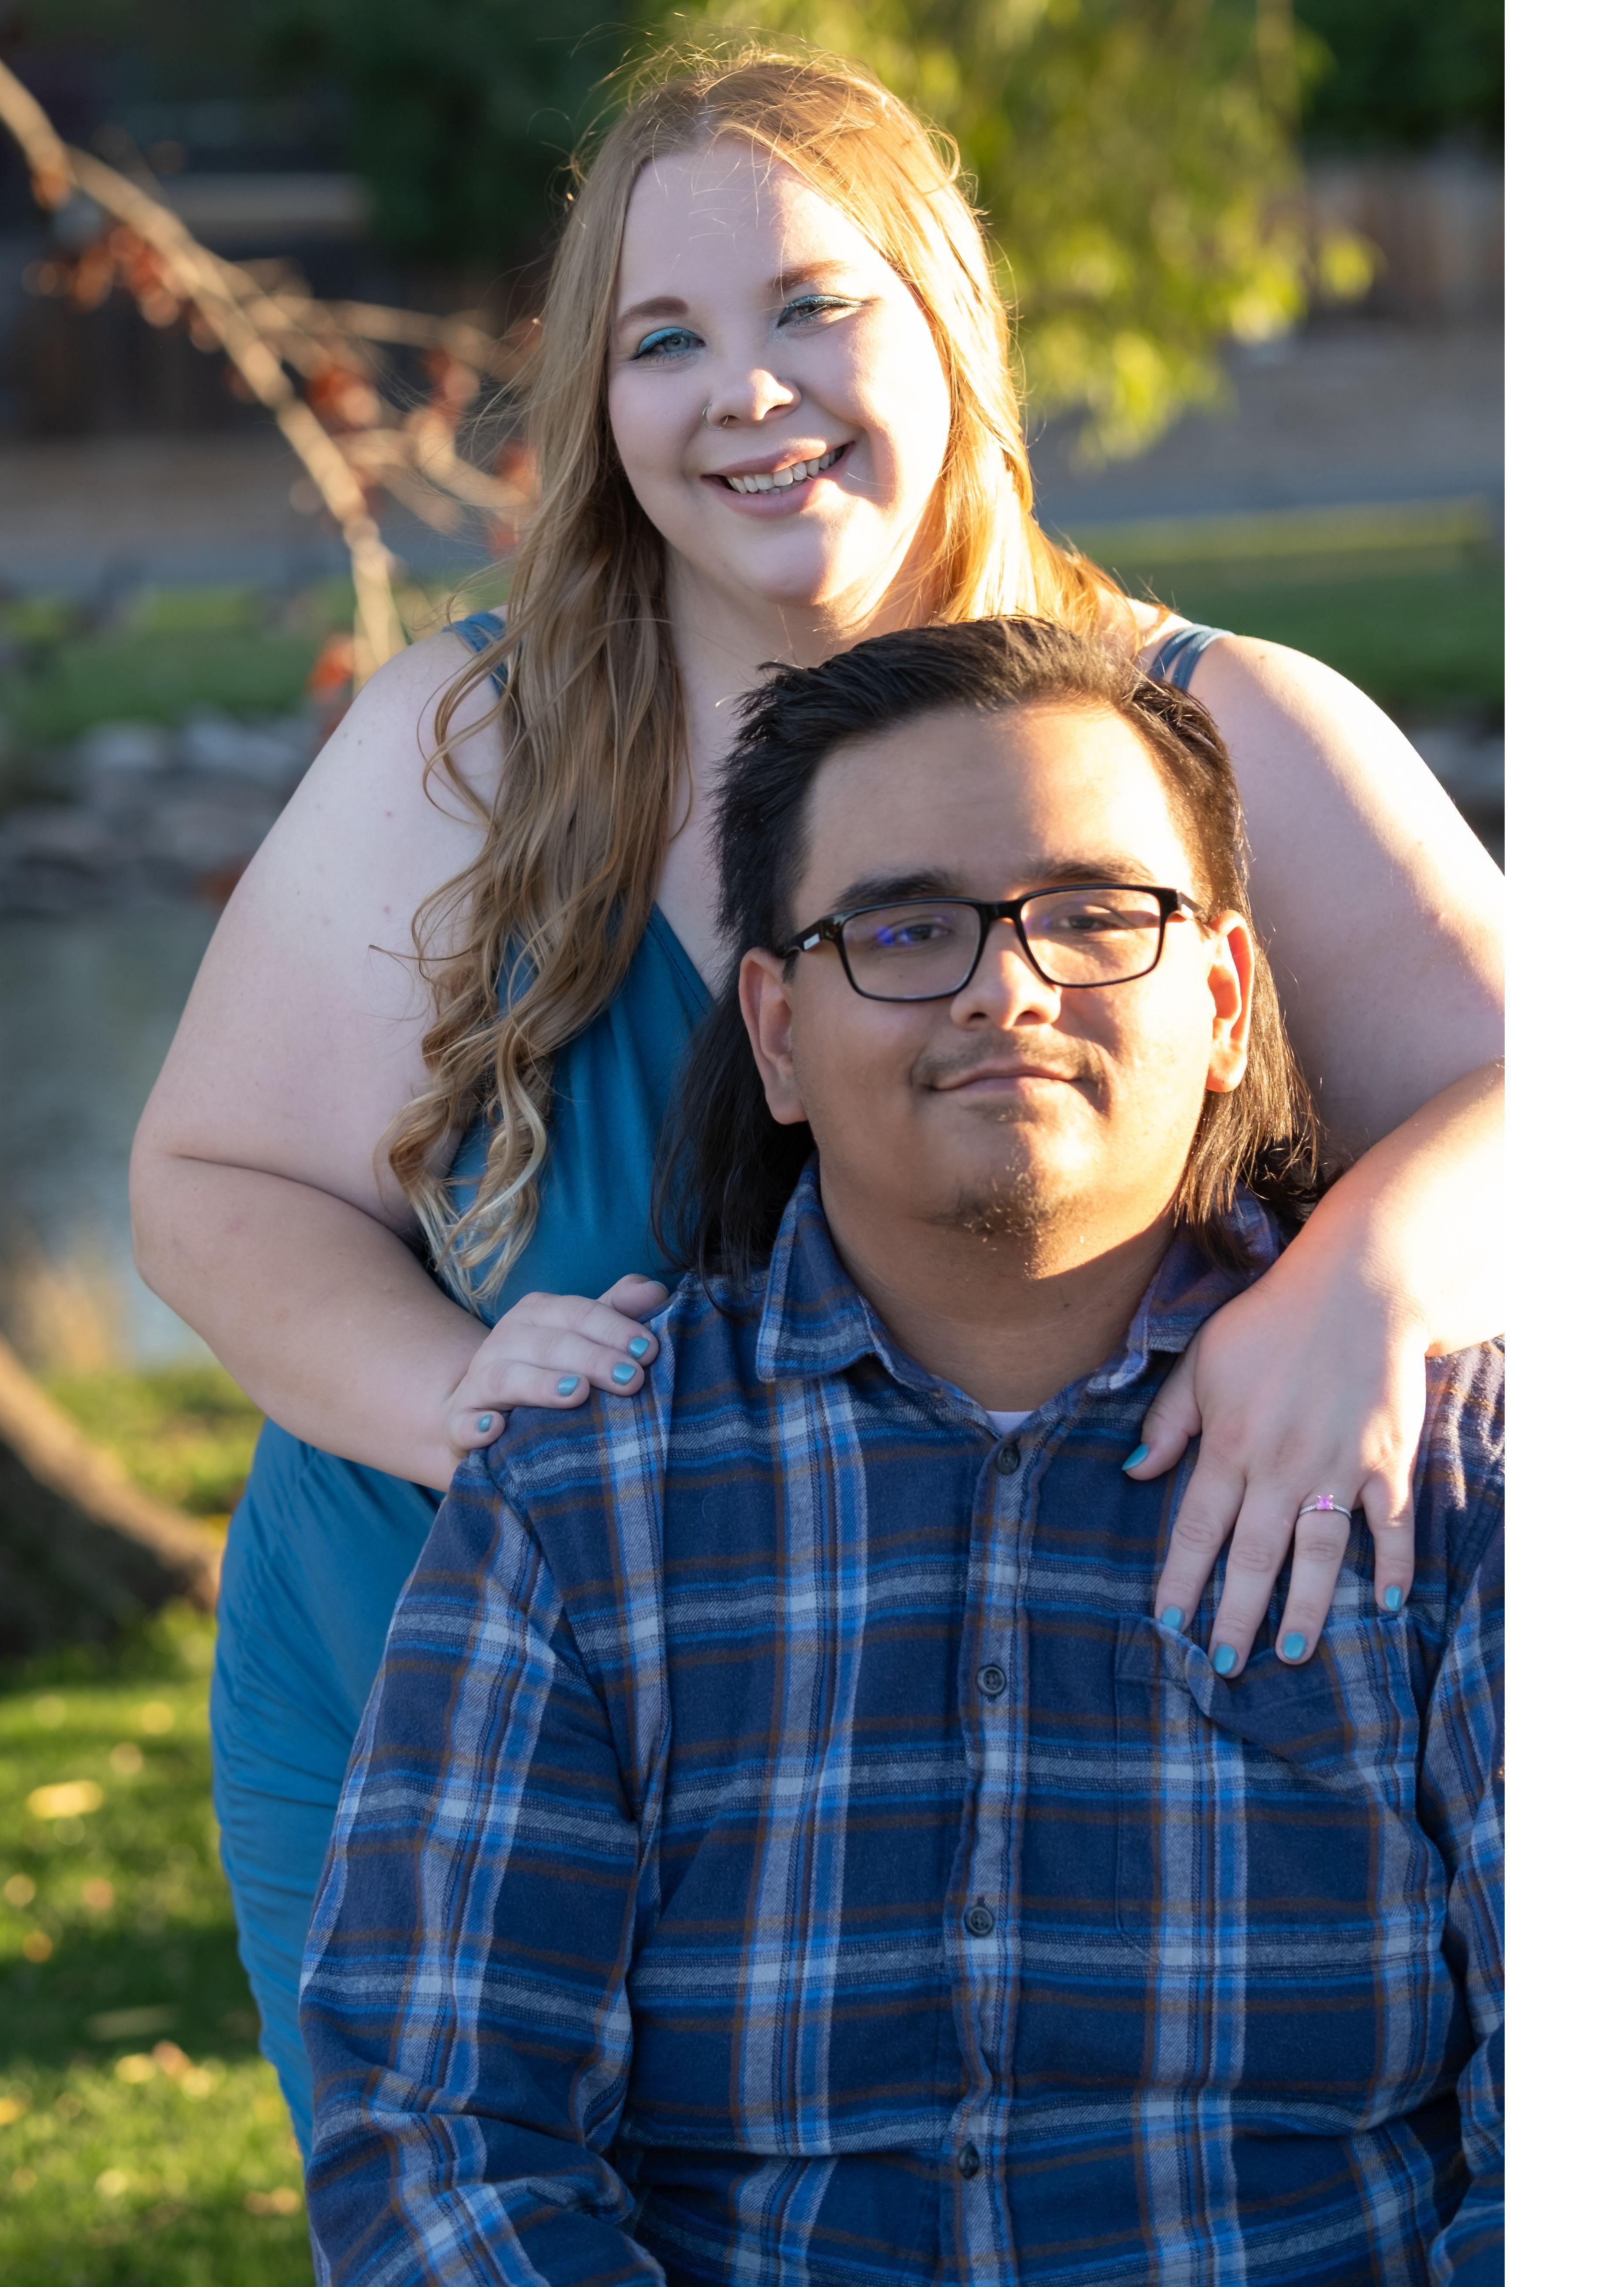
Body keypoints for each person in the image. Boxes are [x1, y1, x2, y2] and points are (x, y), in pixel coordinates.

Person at [130, 43, 1503, 2128]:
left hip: (1026, 1772)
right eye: (664, 340)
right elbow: (214, 1183)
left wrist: (1359, 1286)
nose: (744, 392)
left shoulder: (1204, 734)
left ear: (949, 327)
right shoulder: (471, 744)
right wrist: (457, 1395)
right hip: (441, 1734)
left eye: (811, 307)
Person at [301, 619, 1503, 2287]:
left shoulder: (1456, 1479)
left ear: (1224, 1000)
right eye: (905, 928)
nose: (1009, 987)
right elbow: (436, 2136)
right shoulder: (582, 1501)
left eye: (1095, 915)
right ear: (777, 1034)